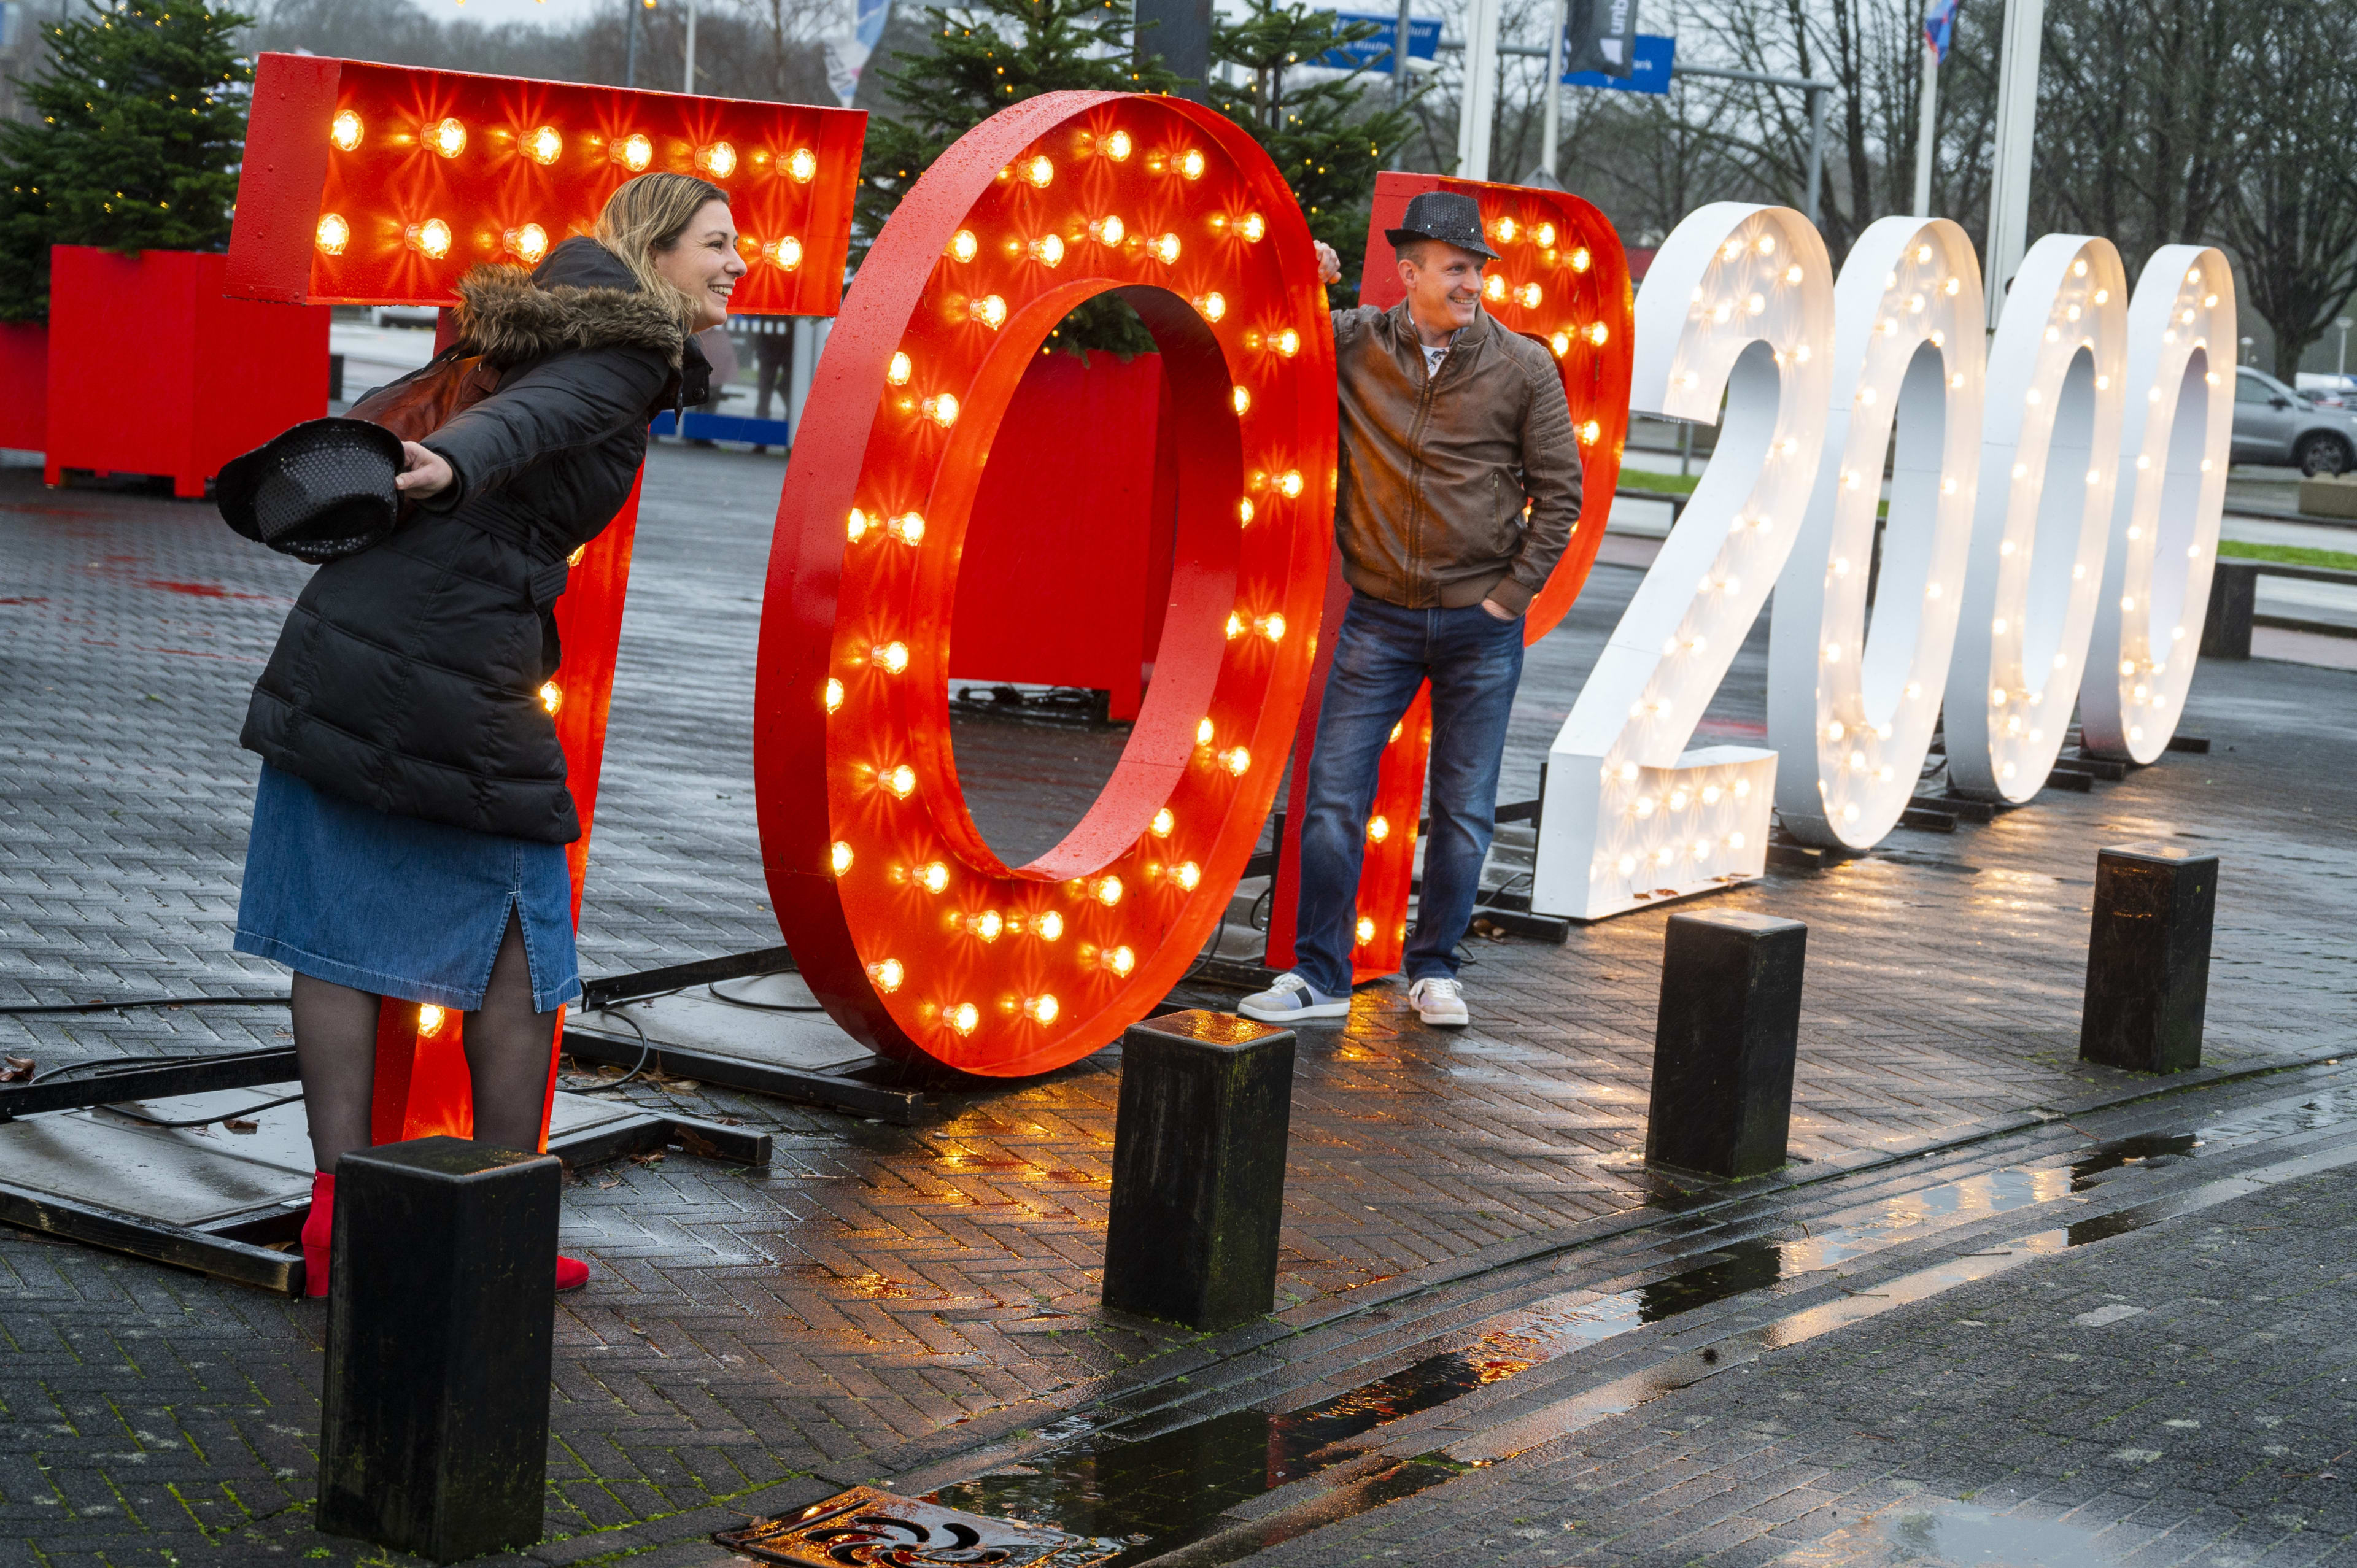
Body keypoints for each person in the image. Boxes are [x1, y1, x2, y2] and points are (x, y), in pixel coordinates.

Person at [233, 172, 743, 1296]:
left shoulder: (541, 326)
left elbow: (516, 413)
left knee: (333, 928)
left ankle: (340, 1221)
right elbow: (531, 426)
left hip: (356, 638)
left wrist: (452, 462)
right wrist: (457, 463)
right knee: (521, 937)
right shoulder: (623, 352)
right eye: (715, 243)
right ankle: (500, 1230)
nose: (736, 266)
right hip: (447, 662)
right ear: (652, 251)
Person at [1242, 191, 1582, 1030]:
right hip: (1380, 619)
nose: (1472, 283)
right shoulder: (1355, 341)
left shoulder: (1523, 366)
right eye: (1457, 268)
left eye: (1478, 269)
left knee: (1464, 813)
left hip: (1481, 628)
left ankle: (1436, 970)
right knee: (1330, 800)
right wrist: (1301, 278)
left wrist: (1509, 597)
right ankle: (1319, 978)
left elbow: (1562, 492)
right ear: (1412, 271)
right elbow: (1273, 338)